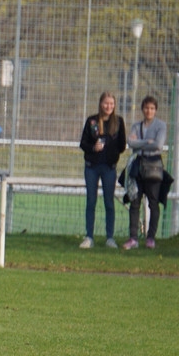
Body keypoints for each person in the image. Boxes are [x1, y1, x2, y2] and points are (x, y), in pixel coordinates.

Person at [78, 91, 126, 249]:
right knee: (91, 201)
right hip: (92, 168)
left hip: (109, 169)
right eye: (106, 103)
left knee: (109, 202)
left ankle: (110, 238)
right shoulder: (91, 121)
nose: (109, 106)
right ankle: (89, 237)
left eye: (111, 104)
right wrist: (93, 147)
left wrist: (113, 154)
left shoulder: (118, 122)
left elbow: (122, 145)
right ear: (100, 104)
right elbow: (83, 144)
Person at [123, 95, 167, 250]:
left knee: (153, 203)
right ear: (142, 109)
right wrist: (146, 142)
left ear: (155, 110)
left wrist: (141, 144)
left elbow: (158, 145)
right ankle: (133, 238)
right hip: (138, 167)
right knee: (134, 202)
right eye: (147, 108)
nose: (149, 111)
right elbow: (131, 143)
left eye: (152, 108)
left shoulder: (161, 125)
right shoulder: (136, 125)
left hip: (153, 168)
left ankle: (150, 238)